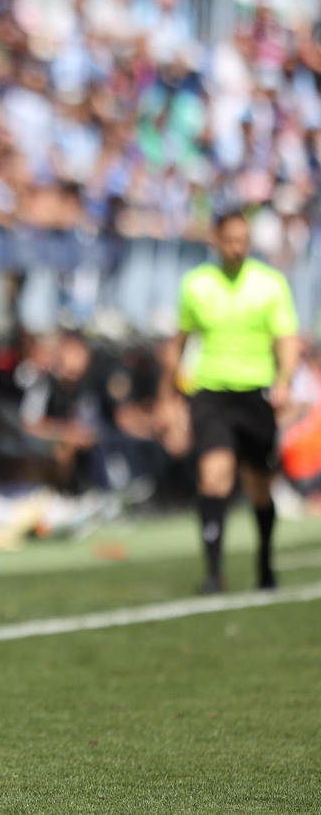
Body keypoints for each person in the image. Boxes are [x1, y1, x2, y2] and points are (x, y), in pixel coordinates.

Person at [158, 211, 298, 595]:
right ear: (216, 241)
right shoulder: (196, 285)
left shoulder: (270, 285)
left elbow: (286, 339)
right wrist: (168, 398)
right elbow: (179, 343)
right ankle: (214, 574)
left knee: (258, 486)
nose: (238, 247)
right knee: (214, 476)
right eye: (231, 240)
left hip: (256, 394)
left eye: (244, 240)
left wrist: (284, 381)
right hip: (212, 393)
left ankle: (265, 562)